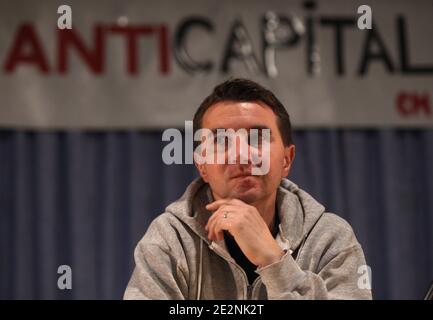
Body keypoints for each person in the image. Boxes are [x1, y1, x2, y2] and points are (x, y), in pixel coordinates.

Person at [124, 78, 372, 300]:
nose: (241, 155)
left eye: (258, 138)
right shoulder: (169, 238)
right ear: (202, 165)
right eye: (222, 141)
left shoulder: (330, 238)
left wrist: (274, 262)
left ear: (287, 159)